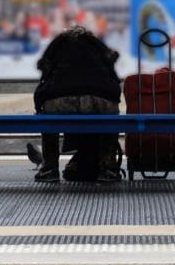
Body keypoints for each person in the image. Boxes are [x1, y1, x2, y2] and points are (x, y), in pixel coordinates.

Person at [33, 24, 121, 183]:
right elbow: (112, 72)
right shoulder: (96, 44)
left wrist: (40, 102)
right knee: (111, 117)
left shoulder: (59, 43)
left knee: (48, 119)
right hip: (99, 98)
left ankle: (49, 169)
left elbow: (44, 71)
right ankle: (108, 168)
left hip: (61, 98)